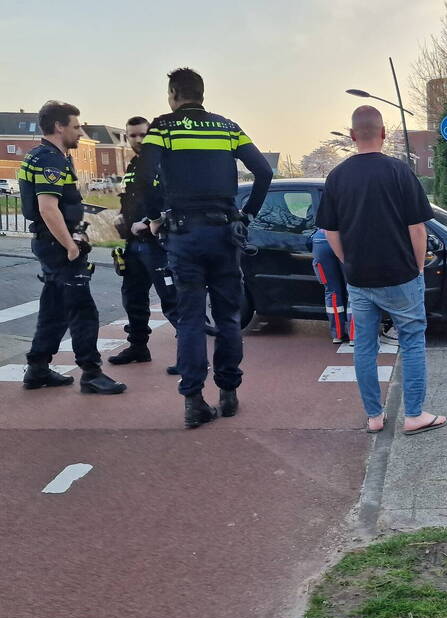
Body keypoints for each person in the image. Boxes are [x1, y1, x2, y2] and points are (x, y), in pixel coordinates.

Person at [135, 68, 272, 428]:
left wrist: (155, 217)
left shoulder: (163, 127)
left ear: (173, 94)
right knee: (227, 317)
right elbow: (264, 172)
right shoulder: (227, 128)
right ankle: (228, 393)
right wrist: (246, 215)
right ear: (202, 94)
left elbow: (144, 178)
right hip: (225, 233)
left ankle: (194, 400)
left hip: (183, 235)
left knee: (191, 318)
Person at [315, 105, 447, 435]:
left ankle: (374, 416)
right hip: (401, 274)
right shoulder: (399, 172)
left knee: (364, 347)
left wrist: (348, 261)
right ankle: (414, 415)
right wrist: (418, 268)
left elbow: (330, 231)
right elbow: (417, 229)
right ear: (384, 133)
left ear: (352, 135)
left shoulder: (337, 177)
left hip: (359, 278)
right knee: (412, 341)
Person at [19, 101, 126, 394]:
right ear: (59, 127)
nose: (80, 132)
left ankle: (38, 368)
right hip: (58, 245)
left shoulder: (46, 155)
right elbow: (48, 208)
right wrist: (70, 246)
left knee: (54, 307)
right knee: (83, 310)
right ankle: (91, 373)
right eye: (76, 126)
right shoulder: (50, 159)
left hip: (51, 242)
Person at [107, 116, 180, 374]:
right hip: (133, 244)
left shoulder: (165, 162)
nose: (138, 140)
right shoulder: (134, 164)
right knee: (133, 298)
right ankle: (138, 347)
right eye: (132, 135)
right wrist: (121, 218)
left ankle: (189, 356)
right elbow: (131, 199)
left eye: (142, 134)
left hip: (158, 244)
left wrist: (148, 222)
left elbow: (171, 200)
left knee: (172, 300)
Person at [311, 227, 349, 344]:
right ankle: (355, 335)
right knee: (353, 290)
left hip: (320, 241)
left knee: (332, 292)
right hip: (344, 239)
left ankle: (337, 334)